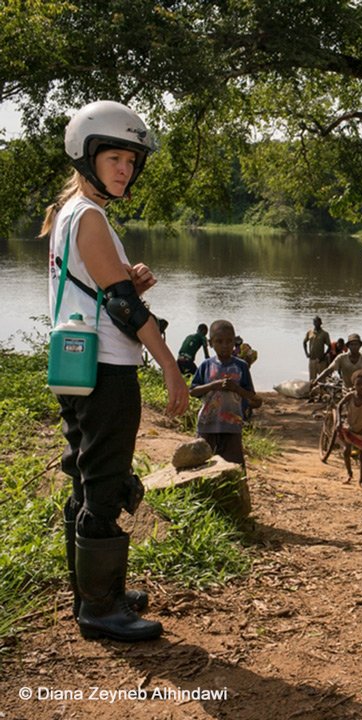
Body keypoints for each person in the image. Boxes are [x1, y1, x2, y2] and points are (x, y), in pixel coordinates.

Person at [43, 100, 190, 642]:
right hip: (106, 370)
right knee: (104, 487)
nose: (125, 169)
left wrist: (130, 283)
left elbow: (103, 289)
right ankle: (101, 610)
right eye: (114, 158)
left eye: (131, 160)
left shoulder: (71, 214)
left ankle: (93, 593)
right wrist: (171, 367)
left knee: (86, 477)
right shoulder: (91, 217)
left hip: (78, 365)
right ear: (88, 157)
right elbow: (124, 307)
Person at [190, 319, 263, 470]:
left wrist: (236, 388)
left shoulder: (240, 366)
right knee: (204, 467)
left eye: (229, 341)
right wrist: (214, 385)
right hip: (207, 425)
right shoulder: (206, 365)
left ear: (234, 343)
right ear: (210, 343)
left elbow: (250, 394)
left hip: (232, 425)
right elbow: (193, 391)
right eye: (219, 341)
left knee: (234, 467)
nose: (225, 346)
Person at [303, 315, 332, 382]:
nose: (316, 323)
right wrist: (307, 353)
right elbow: (304, 343)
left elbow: (329, 346)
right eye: (315, 322)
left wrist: (324, 356)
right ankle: (312, 391)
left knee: (322, 380)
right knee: (312, 380)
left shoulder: (324, 334)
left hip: (321, 360)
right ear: (313, 323)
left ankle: (322, 392)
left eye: (318, 322)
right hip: (312, 359)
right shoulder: (310, 332)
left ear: (321, 323)